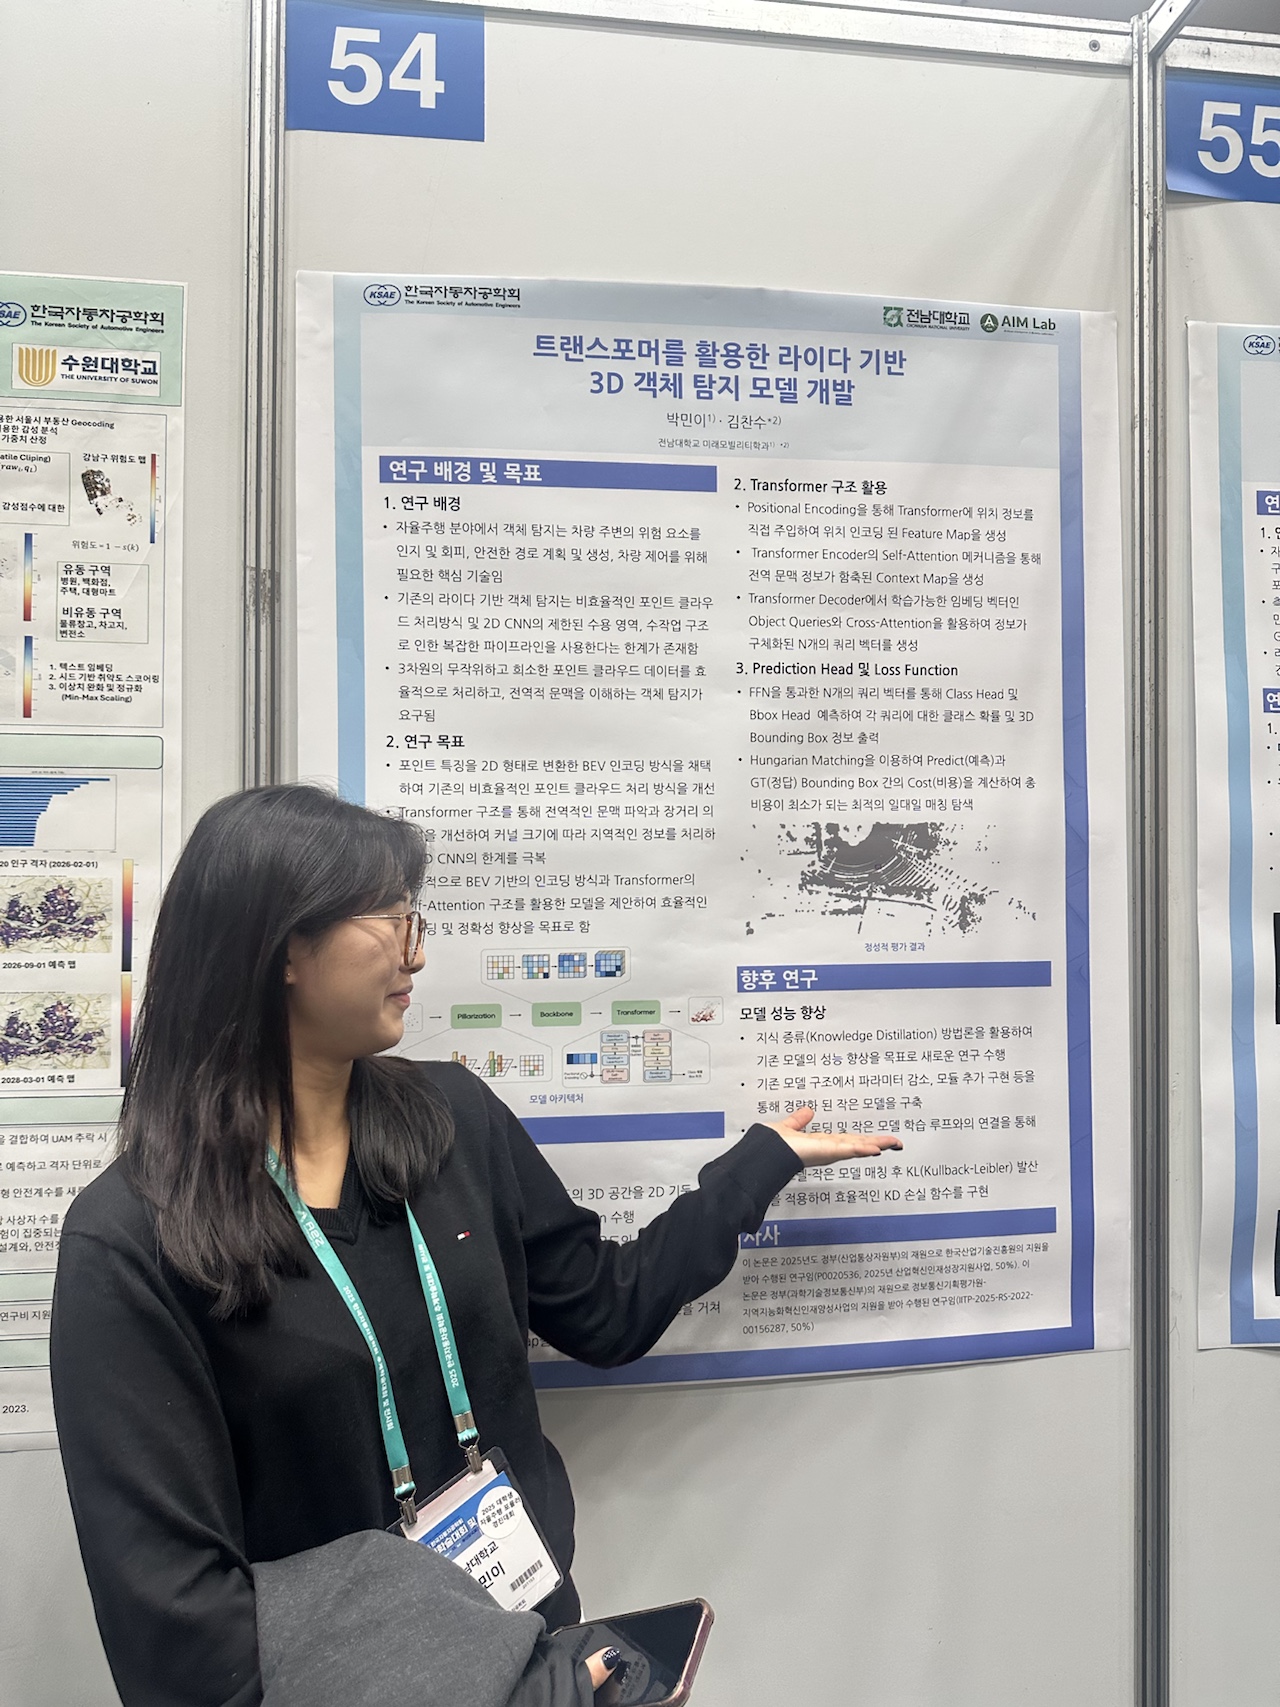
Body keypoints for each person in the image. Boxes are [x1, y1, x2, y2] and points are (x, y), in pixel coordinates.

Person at [51, 785, 903, 1707]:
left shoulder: (452, 1121)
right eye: (390, 918)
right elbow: (176, 1627)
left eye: (414, 917)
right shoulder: (132, 1241)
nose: (416, 950)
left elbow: (605, 1310)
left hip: (535, 1656)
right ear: (285, 946)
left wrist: (757, 1166)